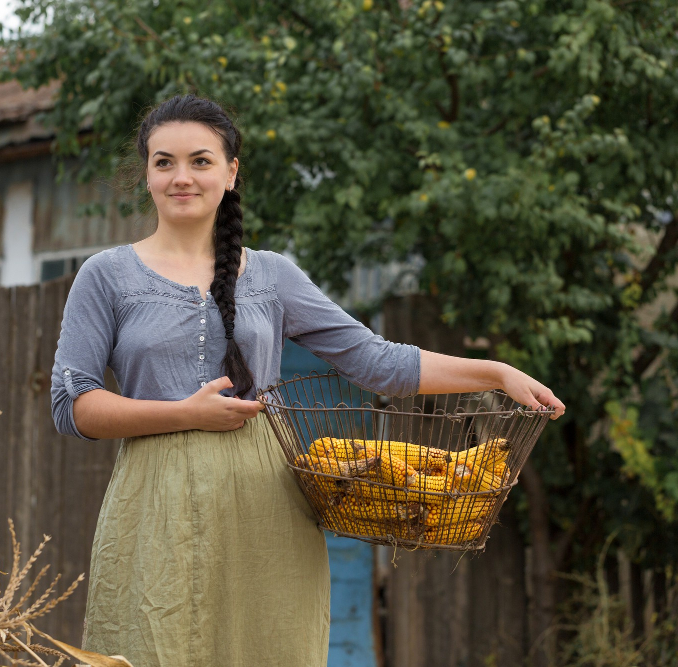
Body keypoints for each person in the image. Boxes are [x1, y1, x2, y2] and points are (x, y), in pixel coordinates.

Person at [50, 94, 565, 667]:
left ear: (230, 172)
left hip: (267, 505)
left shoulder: (273, 276)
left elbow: (375, 361)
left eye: (200, 160)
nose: (181, 177)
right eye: (163, 162)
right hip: (155, 502)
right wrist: (184, 414)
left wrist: (492, 372)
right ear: (146, 174)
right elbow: (73, 405)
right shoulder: (107, 275)